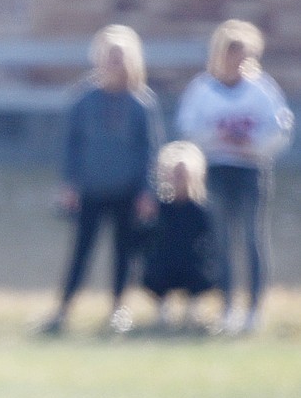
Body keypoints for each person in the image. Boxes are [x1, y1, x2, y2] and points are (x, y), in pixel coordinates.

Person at [41, 24, 163, 335]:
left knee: (124, 253)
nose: (115, 64)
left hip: (127, 191)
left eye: (121, 58)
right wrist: (69, 184)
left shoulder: (141, 103)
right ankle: (63, 309)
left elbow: (151, 151)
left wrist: (148, 192)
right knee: (81, 251)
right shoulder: (83, 100)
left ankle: (118, 310)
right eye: (109, 57)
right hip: (91, 190)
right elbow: (70, 145)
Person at [176, 19, 295, 334]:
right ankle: (227, 307)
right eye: (231, 53)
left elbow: (280, 130)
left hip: (251, 170)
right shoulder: (203, 88)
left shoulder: (261, 89)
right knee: (222, 238)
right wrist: (219, 140)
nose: (237, 60)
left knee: (252, 237)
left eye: (243, 53)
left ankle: (253, 310)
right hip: (216, 168)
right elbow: (189, 126)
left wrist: (252, 145)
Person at [140, 141, 217, 331]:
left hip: (191, 265)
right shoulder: (160, 208)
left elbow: (212, 242)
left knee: (202, 269)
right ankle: (162, 310)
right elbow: (142, 239)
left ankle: (193, 310)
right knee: (155, 270)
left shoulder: (200, 210)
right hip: (165, 264)